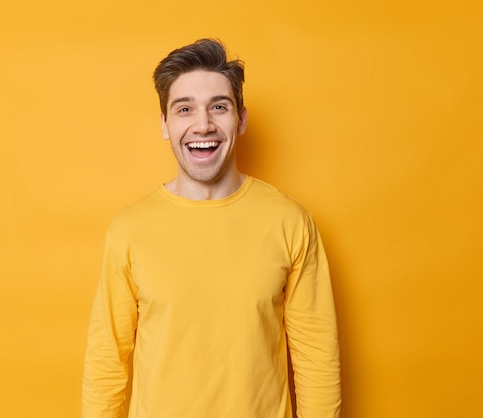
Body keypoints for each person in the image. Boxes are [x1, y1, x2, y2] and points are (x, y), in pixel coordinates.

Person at [82, 38, 341, 418]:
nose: (202, 124)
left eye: (218, 107)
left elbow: (317, 357)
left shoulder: (290, 222)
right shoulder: (130, 229)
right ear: (165, 126)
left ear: (241, 118)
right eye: (184, 109)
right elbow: (107, 358)